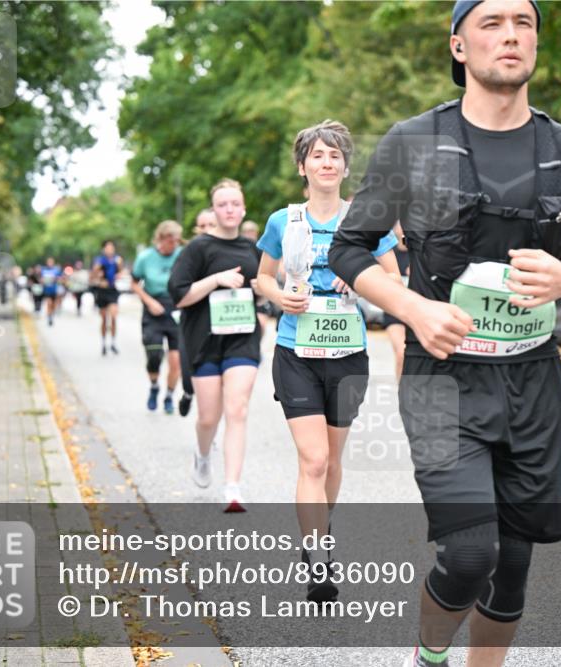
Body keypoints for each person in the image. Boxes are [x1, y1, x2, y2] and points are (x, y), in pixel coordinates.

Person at [329, 2, 561, 665]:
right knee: (468, 555)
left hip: (533, 383)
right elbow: (347, 249)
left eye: (524, 22)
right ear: (458, 45)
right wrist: (413, 309)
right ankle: (428, 656)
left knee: (510, 569)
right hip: (440, 380)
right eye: (491, 23)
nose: (511, 34)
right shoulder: (412, 142)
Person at [256, 120, 400, 603]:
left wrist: (362, 277)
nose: (326, 162)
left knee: (333, 461)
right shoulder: (284, 220)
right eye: (317, 155)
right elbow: (262, 277)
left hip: (346, 353)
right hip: (295, 351)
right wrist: (280, 296)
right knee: (314, 459)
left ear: (344, 166)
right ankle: (318, 558)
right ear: (303, 166)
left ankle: (320, 529)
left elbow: (394, 278)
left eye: (335, 155)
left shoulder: (364, 220)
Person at [169, 179, 262, 512]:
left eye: (235, 204)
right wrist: (215, 280)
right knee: (209, 417)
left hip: (242, 339)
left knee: (237, 409)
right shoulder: (198, 249)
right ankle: (203, 453)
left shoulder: (253, 249)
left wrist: (263, 291)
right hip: (203, 341)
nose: (229, 210)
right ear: (214, 210)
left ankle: (233, 487)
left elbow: (263, 291)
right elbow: (179, 296)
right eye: (222, 204)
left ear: (244, 209)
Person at [131, 220, 184, 414]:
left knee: (176, 360)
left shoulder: (182, 255)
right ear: (160, 239)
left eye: (177, 241)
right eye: (170, 241)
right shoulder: (145, 257)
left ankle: (169, 396)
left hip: (177, 309)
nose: (174, 245)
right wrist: (149, 302)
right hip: (153, 310)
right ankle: (154, 386)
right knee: (154, 356)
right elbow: (134, 283)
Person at [179, 207, 219, 416]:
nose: (206, 229)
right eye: (202, 226)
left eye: (211, 225)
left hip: (222, 325)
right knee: (188, 375)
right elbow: (177, 289)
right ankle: (187, 393)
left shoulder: (229, 251)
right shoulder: (189, 253)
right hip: (193, 324)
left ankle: (212, 422)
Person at [382, 222, 411, 379]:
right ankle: (401, 390)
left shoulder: (420, 254)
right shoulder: (389, 254)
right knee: (401, 352)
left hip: (415, 312)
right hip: (394, 313)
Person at [92, 240, 124, 355]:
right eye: (108, 247)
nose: (110, 250)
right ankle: (104, 343)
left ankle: (113, 343)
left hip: (112, 290)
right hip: (102, 291)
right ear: (103, 249)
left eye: (112, 247)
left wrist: (118, 275)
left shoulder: (118, 260)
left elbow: (121, 272)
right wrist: (98, 277)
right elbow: (93, 275)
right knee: (104, 319)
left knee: (114, 316)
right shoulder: (99, 260)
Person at [39, 256, 63, 326]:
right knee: (49, 303)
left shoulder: (56, 270)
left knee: (54, 305)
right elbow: (41, 279)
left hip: (54, 290)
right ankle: (49, 317)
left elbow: (61, 278)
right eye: (48, 262)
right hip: (47, 290)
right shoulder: (43, 270)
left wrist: (56, 279)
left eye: (51, 262)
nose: (50, 263)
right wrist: (42, 281)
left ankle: (51, 314)